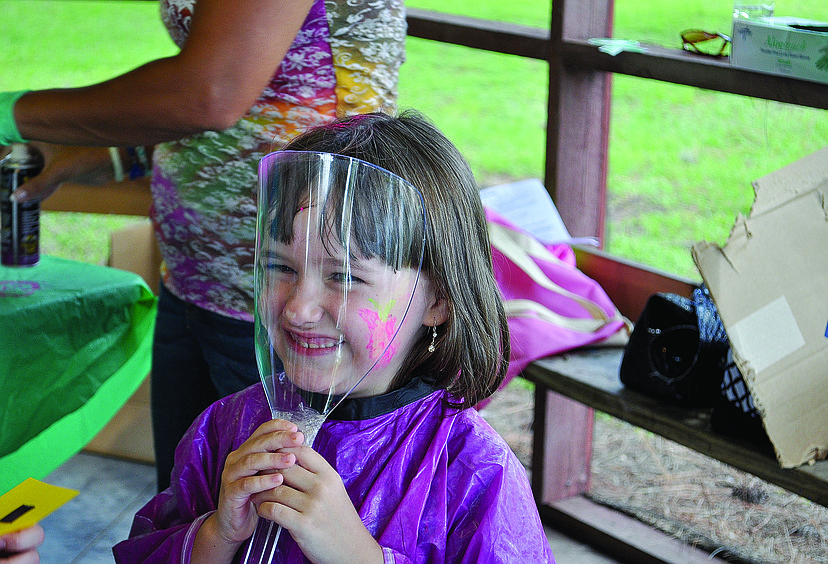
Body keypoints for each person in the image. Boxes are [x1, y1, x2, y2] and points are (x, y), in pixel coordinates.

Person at [111, 111, 556, 563]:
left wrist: (358, 556)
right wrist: (216, 536)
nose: (298, 308)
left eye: (344, 277)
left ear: (439, 298)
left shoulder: (473, 475)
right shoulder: (224, 430)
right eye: (280, 267)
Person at [1, 0, 407, 491]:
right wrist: (114, 155)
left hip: (294, 307)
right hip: (194, 282)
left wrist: (10, 113)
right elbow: (257, 97)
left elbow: (211, 93)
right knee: (182, 511)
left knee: (266, 521)